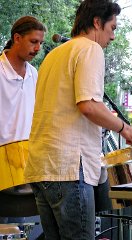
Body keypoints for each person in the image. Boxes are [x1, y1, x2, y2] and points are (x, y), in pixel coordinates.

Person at [24, 0, 132, 239]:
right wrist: (125, 129)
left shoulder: (53, 55)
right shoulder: (90, 49)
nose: (113, 36)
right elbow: (88, 105)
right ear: (97, 23)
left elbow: (69, 106)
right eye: (113, 28)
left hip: (42, 167)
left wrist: (104, 117)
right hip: (68, 167)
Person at [0, 16, 46, 224]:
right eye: (33, 41)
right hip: (3, 162)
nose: (38, 48)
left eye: (41, 43)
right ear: (17, 38)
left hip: (26, 163)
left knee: (25, 226)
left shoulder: (34, 74)